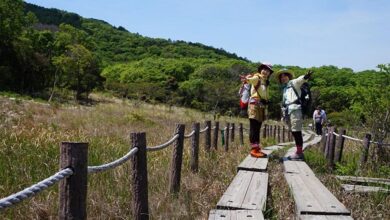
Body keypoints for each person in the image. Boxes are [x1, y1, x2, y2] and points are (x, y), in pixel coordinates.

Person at [276, 69, 313, 160]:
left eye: (285, 76)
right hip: (288, 111)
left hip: (296, 110)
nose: (283, 78)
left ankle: (299, 153)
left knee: (296, 131)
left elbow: (300, 80)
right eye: (281, 77)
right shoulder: (285, 88)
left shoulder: (293, 83)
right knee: (293, 131)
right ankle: (298, 151)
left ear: (289, 77)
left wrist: (305, 77)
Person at [240, 63, 273, 158]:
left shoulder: (265, 81)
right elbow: (249, 80)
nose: (266, 72)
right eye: (264, 69)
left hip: (261, 106)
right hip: (254, 106)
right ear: (260, 70)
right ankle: (254, 149)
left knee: (258, 127)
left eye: (268, 71)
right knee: (254, 127)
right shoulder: (257, 78)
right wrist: (246, 79)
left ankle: (257, 148)